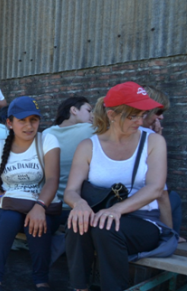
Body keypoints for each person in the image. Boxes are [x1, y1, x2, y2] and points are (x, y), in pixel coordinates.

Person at [64, 82, 177, 291]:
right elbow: (71, 190)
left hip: (143, 222)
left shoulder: (153, 142)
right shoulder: (89, 146)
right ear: (112, 115)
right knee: (77, 222)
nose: (140, 121)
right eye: (133, 115)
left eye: (142, 114)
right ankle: (80, 288)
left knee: (104, 227)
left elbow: (155, 188)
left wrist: (115, 210)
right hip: (101, 218)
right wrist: (78, 203)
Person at [0, 96, 61, 291]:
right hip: (10, 206)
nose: (29, 126)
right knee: (9, 219)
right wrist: (3, 199)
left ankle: (41, 280)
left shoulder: (47, 140)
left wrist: (39, 207)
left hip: (42, 203)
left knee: (36, 223)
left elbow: (52, 179)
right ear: (9, 123)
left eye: (33, 120)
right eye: (22, 120)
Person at [140, 86, 182, 240]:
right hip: (138, 210)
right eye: (159, 112)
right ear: (145, 112)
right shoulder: (149, 138)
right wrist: (157, 139)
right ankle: (173, 237)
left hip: (109, 204)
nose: (161, 118)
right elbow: (160, 192)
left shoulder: (100, 136)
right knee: (174, 197)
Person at [43, 97, 94, 214]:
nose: (92, 115)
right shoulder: (91, 129)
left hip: (51, 205)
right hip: (82, 207)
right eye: (89, 110)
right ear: (74, 110)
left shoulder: (46, 134)